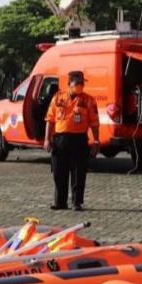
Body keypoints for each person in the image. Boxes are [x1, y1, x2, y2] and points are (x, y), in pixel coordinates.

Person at [44, 70, 100, 211]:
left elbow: (94, 123)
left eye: (82, 83)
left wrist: (96, 141)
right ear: (69, 84)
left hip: (79, 139)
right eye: (77, 83)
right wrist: (47, 139)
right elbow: (49, 120)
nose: (80, 86)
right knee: (58, 172)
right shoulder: (58, 97)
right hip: (60, 139)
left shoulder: (88, 100)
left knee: (78, 172)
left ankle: (77, 202)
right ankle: (60, 202)